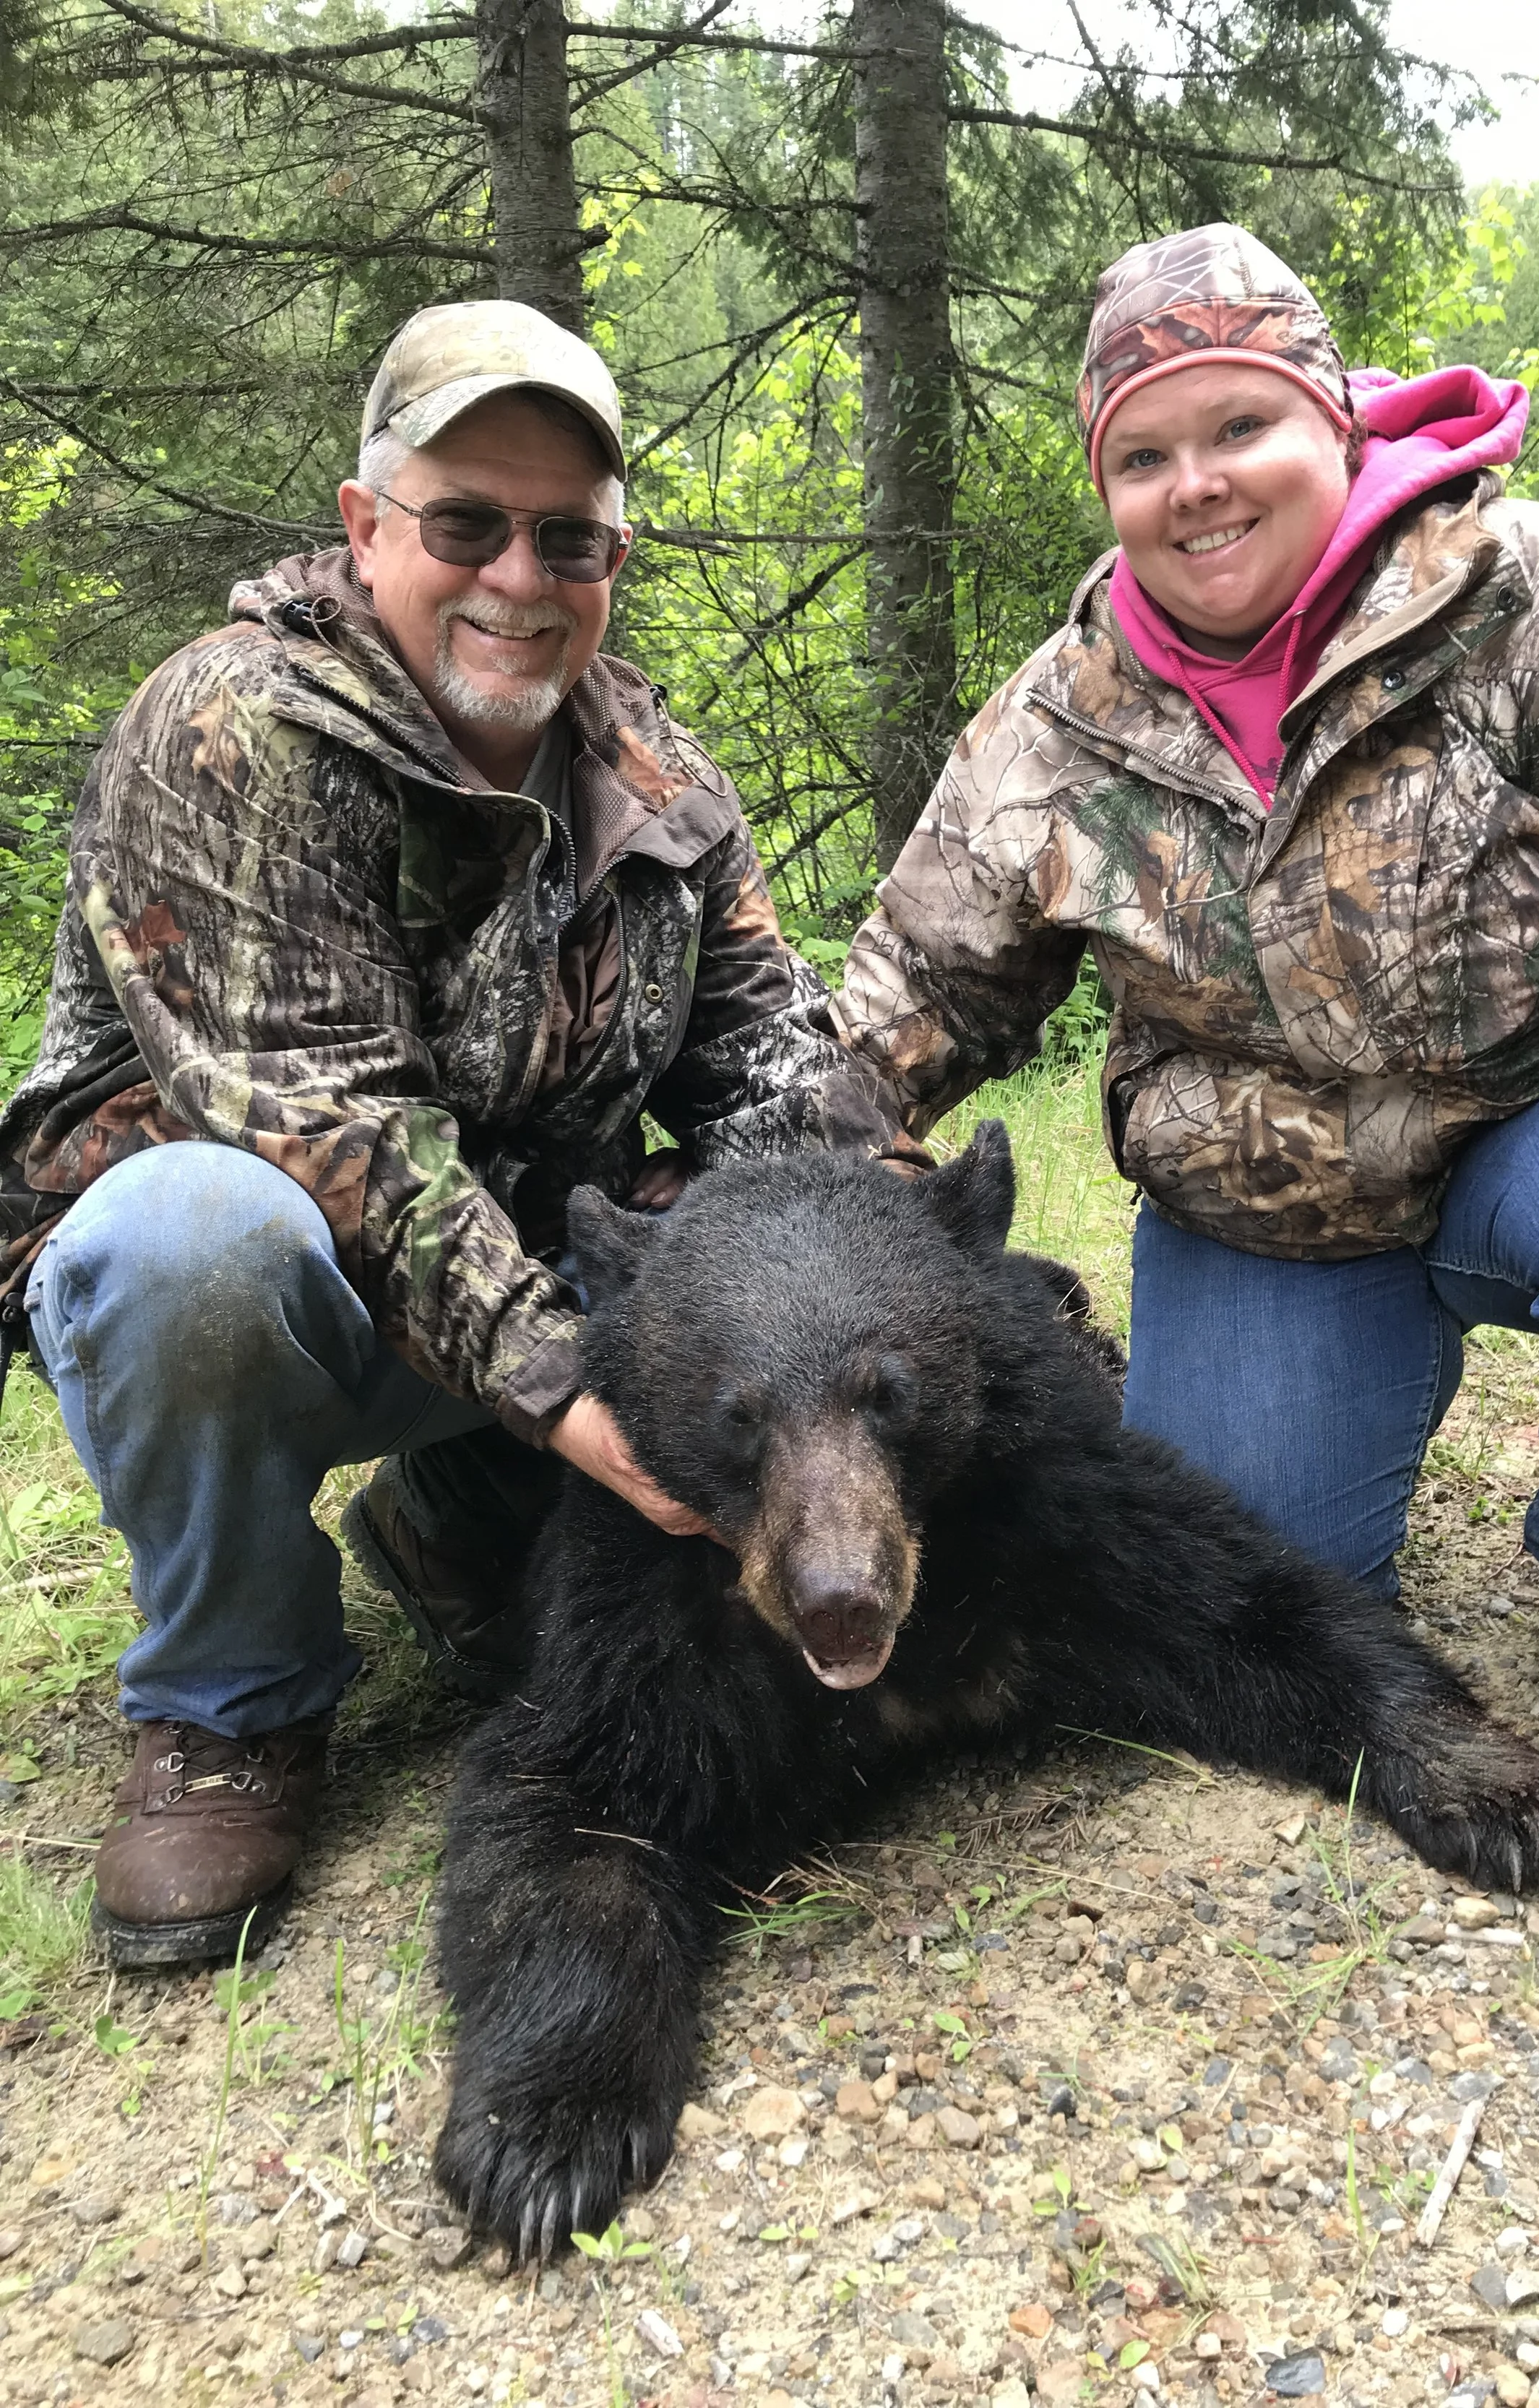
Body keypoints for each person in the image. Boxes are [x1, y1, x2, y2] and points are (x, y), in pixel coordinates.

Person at [0, 298, 910, 1966]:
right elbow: (325, 1126)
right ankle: (232, 1700)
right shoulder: (232, 726)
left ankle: (458, 1521)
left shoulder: (660, 779)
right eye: (465, 523)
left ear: (613, 556)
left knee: (717, 1222)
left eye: (567, 536)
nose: (517, 574)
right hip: (280, 1290)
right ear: (366, 528)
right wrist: (565, 1388)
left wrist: (909, 1290)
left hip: (516, 1275)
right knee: (188, 1237)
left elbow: (780, 1082)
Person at [835, 223, 1539, 1776]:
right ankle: (1349, 1374)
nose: (1195, 482)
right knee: (1264, 1582)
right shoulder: (1050, 726)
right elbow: (902, 1005)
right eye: (1142, 454)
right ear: (1107, 490)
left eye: (1240, 426)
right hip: (1265, 1208)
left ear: (1331, 421)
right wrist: (763, 1208)